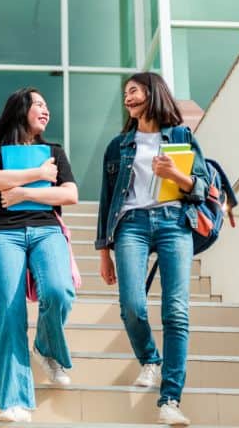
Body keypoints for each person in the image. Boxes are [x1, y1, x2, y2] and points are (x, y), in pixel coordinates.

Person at [95, 72, 210, 426]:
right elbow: (106, 199)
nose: (127, 98)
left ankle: (170, 399)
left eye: (134, 91)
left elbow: (202, 186)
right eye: (125, 93)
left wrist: (177, 175)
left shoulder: (180, 136)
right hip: (131, 225)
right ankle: (150, 359)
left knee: (176, 312)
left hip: (175, 222)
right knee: (131, 304)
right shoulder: (119, 145)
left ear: (152, 93)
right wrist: (103, 251)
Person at [0, 87, 79, 423]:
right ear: (20, 110)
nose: (45, 110)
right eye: (39, 104)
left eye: (46, 105)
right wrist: (38, 175)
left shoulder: (54, 150)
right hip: (3, 234)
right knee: (8, 311)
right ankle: (13, 400)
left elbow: (71, 194)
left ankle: (46, 347)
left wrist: (21, 192)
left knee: (58, 291)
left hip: (46, 229)